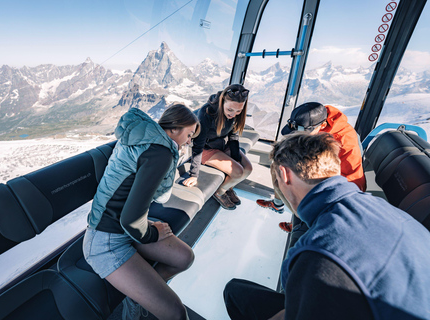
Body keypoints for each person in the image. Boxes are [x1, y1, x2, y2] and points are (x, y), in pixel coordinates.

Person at [224, 132, 430, 320]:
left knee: (235, 293)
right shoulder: (380, 206)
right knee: (238, 292)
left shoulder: (315, 254)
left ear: (285, 175)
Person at [83, 104, 200, 320]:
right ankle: (139, 301)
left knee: (184, 258)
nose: (189, 141)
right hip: (105, 240)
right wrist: (153, 233)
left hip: (122, 227)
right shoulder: (160, 153)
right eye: (189, 134)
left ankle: (137, 297)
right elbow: (131, 220)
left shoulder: (143, 137)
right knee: (176, 313)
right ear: (174, 128)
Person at [257, 102, 366, 233]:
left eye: (302, 132)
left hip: (335, 184)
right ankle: (278, 204)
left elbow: (355, 182)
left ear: (323, 125)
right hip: (318, 169)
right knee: (278, 167)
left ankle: (305, 220)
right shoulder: (315, 116)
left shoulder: (346, 142)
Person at [182, 84, 253, 210]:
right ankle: (220, 192)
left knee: (247, 169)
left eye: (238, 111)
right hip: (205, 148)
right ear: (222, 103)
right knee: (238, 172)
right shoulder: (207, 112)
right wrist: (194, 174)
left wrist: (235, 158)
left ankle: (228, 186)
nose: (233, 114)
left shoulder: (235, 115)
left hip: (220, 144)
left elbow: (233, 138)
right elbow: (198, 146)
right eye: (230, 110)